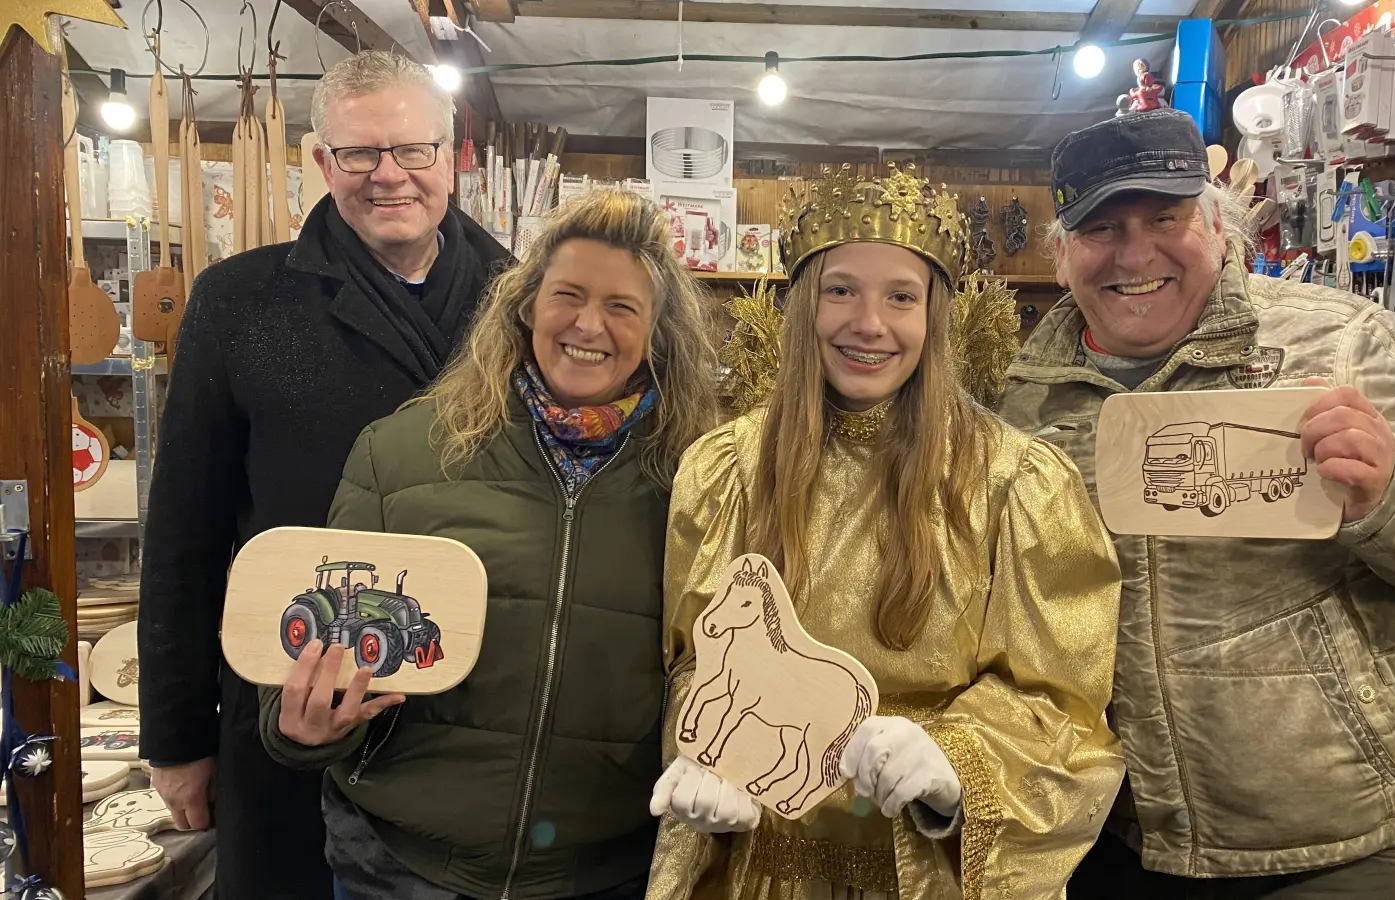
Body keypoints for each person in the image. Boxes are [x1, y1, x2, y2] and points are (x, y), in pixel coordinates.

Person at [998, 109, 1395, 898]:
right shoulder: (1024, 402)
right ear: (1064, 254)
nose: (1135, 253)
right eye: (1102, 228)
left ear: (1216, 223)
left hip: (1333, 849)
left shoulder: (1340, 343)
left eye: (1165, 217)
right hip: (1107, 843)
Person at [647, 163, 1125, 898]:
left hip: (926, 872)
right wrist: (706, 758)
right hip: (761, 864)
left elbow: (1063, 702)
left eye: (900, 296)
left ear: (934, 317)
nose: (868, 323)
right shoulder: (726, 469)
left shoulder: (1015, 482)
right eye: (841, 290)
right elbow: (695, 658)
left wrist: (958, 760)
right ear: (803, 306)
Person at [259, 188, 721, 900]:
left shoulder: (698, 482)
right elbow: (300, 651)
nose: (589, 324)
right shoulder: (403, 452)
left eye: (622, 307)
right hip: (402, 868)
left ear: (657, 333)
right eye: (567, 294)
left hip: (601, 875)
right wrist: (304, 727)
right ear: (527, 305)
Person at [138, 49, 511, 900]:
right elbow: (184, 530)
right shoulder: (239, 301)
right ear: (319, 162)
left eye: (412, 151)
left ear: (450, 157)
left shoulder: (520, 298)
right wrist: (177, 737)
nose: (390, 176)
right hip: (287, 709)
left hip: (475, 720)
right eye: (359, 154)